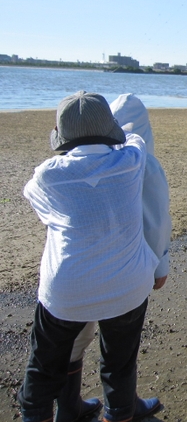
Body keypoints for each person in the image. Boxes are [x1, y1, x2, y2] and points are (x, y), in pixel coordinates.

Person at [18, 91, 163, 422]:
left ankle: (42, 414)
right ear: (111, 130)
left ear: (61, 135)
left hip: (67, 290)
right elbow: (138, 138)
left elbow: (42, 208)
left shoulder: (48, 175)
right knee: (119, 361)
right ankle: (120, 413)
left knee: (43, 366)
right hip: (128, 284)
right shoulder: (131, 159)